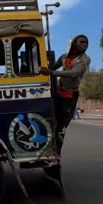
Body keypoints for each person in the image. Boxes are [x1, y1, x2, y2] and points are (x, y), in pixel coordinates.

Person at [39, 35, 90, 181]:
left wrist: (51, 73)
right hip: (58, 93)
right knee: (51, 122)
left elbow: (73, 73)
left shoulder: (85, 60)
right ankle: (49, 151)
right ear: (74, 43)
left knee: (62, 127)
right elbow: (50, 68)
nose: (85, 44)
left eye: (86, 43)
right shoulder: (63, 57)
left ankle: (57, 154)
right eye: (82, 42)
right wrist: (43, 69)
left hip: (70, 96)